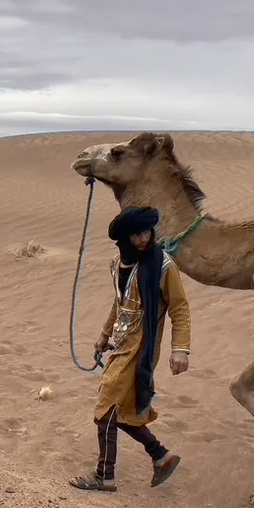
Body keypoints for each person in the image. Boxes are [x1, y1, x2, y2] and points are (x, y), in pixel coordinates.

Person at [69, 206, 191, 493]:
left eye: (146, 232)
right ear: (123, 238)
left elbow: (180, 308)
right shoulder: (117, 264)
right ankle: (161, 456)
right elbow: (119, 302)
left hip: (141, 349)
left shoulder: (163, 267)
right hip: (120, 347)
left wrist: (180, 349)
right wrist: (103, 334)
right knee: (119, 411)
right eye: (136, 234)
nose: (143, 238)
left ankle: (105, 476)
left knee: (105, 409)